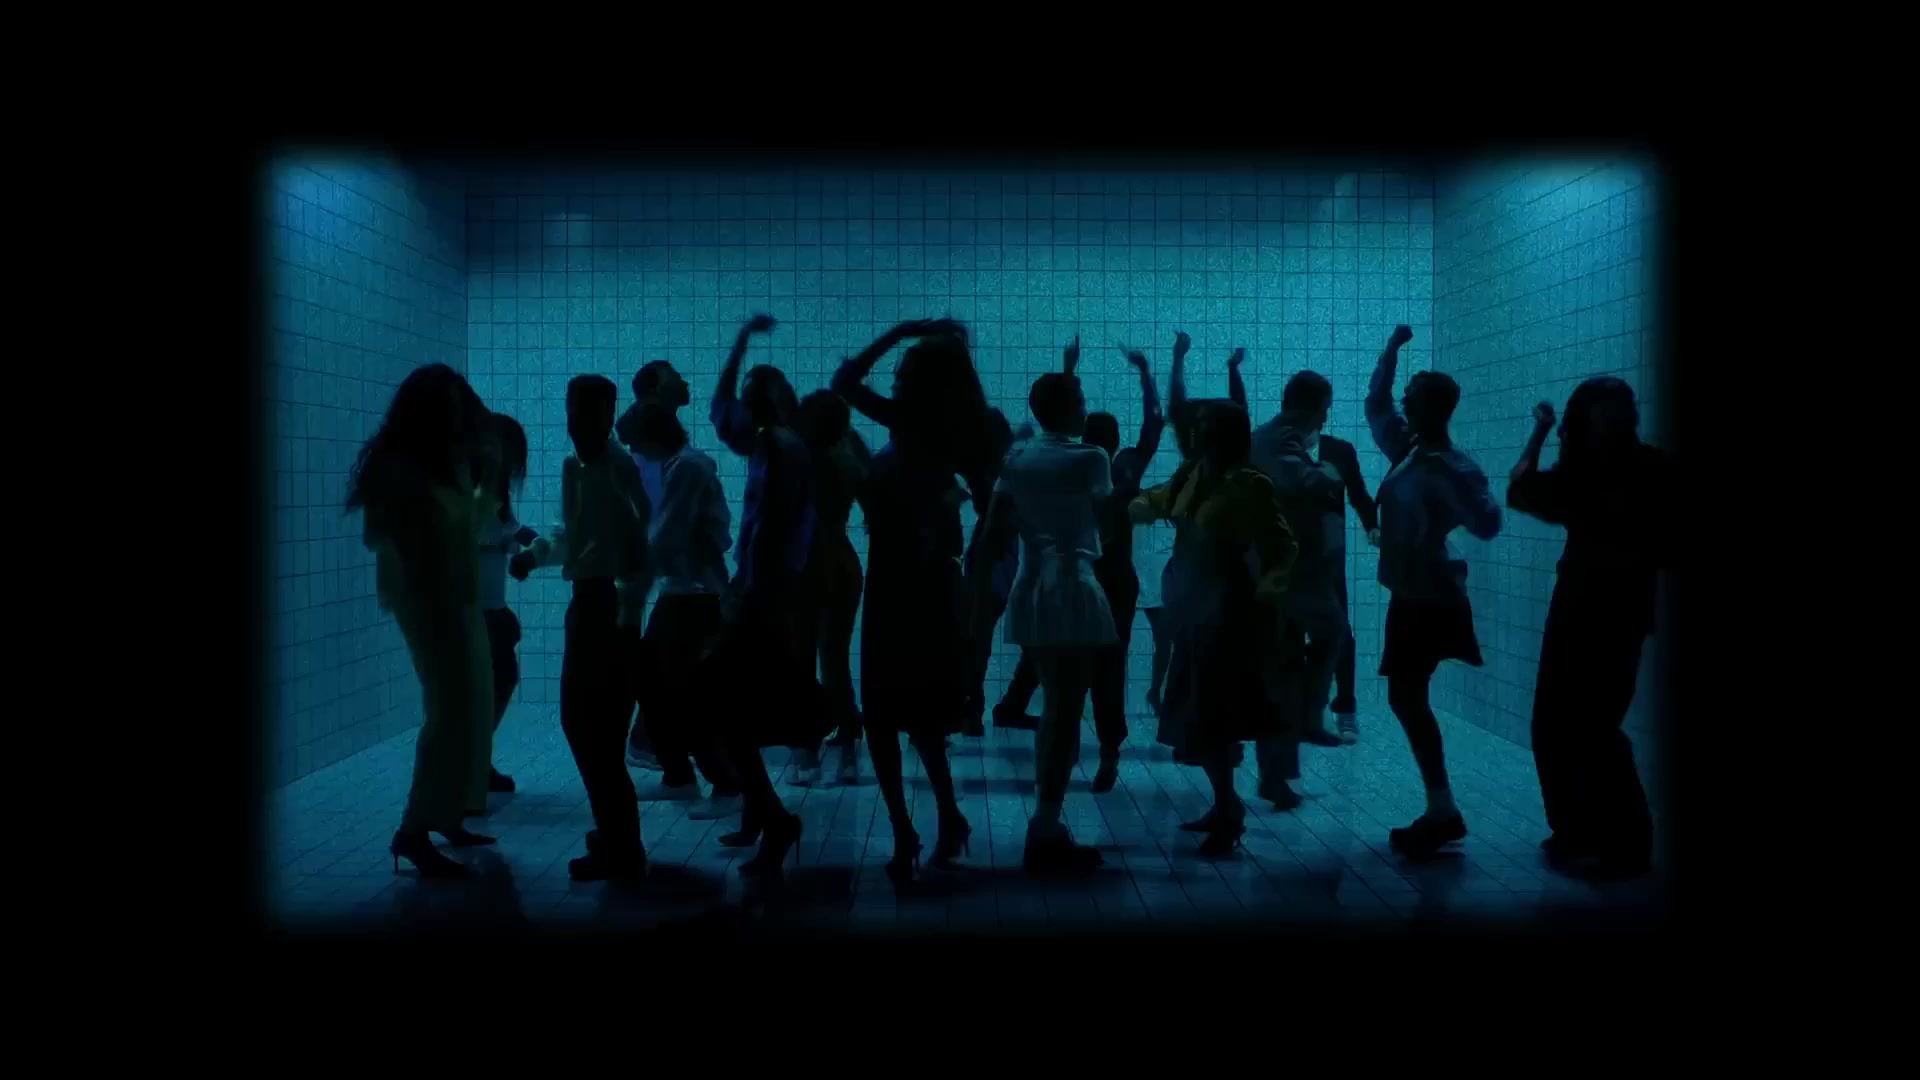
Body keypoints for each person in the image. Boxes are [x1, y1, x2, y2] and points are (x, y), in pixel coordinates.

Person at [836, 317, 992, 882]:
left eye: (904, 373)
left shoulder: (911, 424)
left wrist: (898, 333)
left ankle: (910, 830)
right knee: (919, 714)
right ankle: (942, 819)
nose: (897, 380)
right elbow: (983, 500)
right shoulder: (956, 430)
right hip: (923, 578)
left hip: (901, 579)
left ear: (925, 383)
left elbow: (845, 383)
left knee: (887, 711)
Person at [1508, 378, 1670, 880]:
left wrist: (1540, 432)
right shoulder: (1642, 467)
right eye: (1610, 408)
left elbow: (1520, 486)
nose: (1617, 416)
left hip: (1595, 608)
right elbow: (1522, 489)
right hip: (1608, 608)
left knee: (1581, 727)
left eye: (1620, 407)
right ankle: (1594, 835)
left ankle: (1612, 840)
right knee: (1579, 726)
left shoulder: (1589, 469)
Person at [1129, 399, 1299, 855]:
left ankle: (1228, 809)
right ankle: (1226, 804)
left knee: (1214, 712)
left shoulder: (1250, 483)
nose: (1197, 432)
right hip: (1191, 601)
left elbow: (1283, 545)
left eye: (1206, 426)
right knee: (1198, 712)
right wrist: (1140, 504)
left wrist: (1271, 589)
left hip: (1228, 606)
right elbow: (1159, 499)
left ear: (1227, 434)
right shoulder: (1192, 472)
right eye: (1197, 425)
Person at [349, 364, 498, 879]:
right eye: (451, 409)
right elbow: (386, 537)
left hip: (455, 597)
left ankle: (447, 815)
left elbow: (463, 528)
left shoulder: (440, 462)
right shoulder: (399, 468)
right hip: (427, 602)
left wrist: (485, 485)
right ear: (430, 414)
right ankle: (413, 831)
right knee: (449, 712)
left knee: (469, 708)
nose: (459, 418)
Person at [972, 361, 1116, 873]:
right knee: (1064, 710)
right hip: (1072, 587)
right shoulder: (1092, 457)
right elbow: (1107, 523)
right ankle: (1046, 826)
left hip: (1029, 587)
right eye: (1080, 401)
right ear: (1070, 409)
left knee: (1056, 706)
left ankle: (1048, 820)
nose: (1085, 408)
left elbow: (992, 534)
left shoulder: (1017, 458)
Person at [1364, 325, 1502, 859]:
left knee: (1406, 697)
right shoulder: (1409, 449)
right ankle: (1441, 808)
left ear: (1433, 409)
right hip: (1413, 594)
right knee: (1407, 698)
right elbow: (1377, 403)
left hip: (1432, 597)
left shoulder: (1452, 464)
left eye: (1412, 397)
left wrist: (1460, 487)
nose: (1403, 402)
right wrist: (1391, 351)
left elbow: (1487, 523)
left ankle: (1443, 811)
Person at [510, 374, 654, 882]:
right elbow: (574, 534)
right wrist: (534, 556)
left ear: (607, 416)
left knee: (594, 728)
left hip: (606, 607)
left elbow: (642, 539)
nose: (576, 422)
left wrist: (627, 608)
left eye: (588, 412)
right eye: (573, 410)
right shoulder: (578, 466)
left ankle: (621, 843)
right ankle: (616, 835)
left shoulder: (616, 469)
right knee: (591, 727)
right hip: (591, 603)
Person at [703, 313, 820, 876]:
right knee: (743, 706)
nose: (741, 404)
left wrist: (743, 591)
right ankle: (760, 816)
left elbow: (769, 527)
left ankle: (774, 819)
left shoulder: (775, 447)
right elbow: (721, 410)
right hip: (772, 591)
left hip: (764, 595)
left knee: (724, 704)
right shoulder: (778, 443)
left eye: (751, 395)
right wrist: (741, 342)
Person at [619, 400, 740, 806]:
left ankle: (725, 783)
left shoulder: (687, 468)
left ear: (651, 437)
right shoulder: (682, 466)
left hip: (694, 595)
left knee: (684, 692)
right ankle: (680, 776)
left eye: (635, 443)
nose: (635, 452)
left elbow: (668, 534)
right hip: (684, 592)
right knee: (655, 682)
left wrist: (635, 586)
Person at [1248, 369, 1347, 810]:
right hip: (1290, 578)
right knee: (1330, 634)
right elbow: (1303, 481)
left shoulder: (1273, 438)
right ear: (1307, 408)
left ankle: (1277, 773)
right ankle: (1308, 715)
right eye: (1323, 410)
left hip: (1288, 576)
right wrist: (1329, 473)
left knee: (1282, 673)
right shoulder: (1280, 439)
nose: (1324, 420)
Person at [796, 389, 871, 786]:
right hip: (841, 561)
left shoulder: (797, 461)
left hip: (805, 563)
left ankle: (807, 751)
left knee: (803, 657)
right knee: (834, 658)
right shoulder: (848, 459)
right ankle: (847, 748)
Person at [475, 411, 538, 800]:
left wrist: (526, 543)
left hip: (488, 601)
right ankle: (473, 764)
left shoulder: (493, 489)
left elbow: (507, 529)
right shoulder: (474, 485)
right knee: (492, 683)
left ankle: (477, 761)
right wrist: (516, 543)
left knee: (497, 681)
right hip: (477, 604)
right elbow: (483, 535)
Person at [1317, 428, 1380, 741]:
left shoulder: (1337, 451)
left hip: (1328, 557)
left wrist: (1371, 524)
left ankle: (1344, 707)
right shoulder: (1280, 447)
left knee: (1339, 630)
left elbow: (1357, 492)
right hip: (1291, 555)